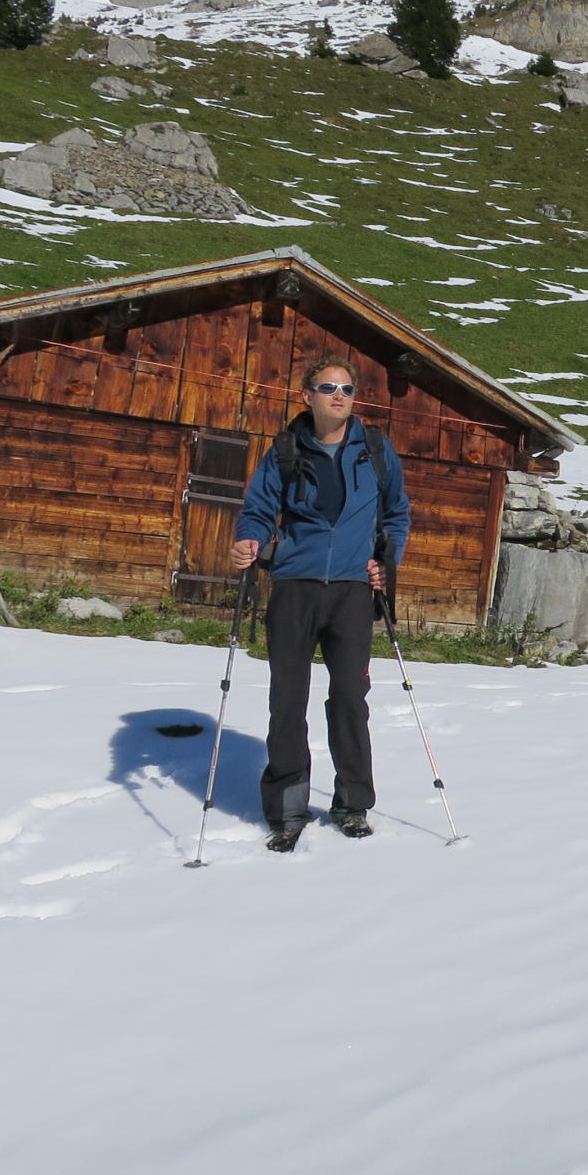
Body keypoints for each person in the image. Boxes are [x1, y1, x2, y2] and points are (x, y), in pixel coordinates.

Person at [231, 357, 411, 853]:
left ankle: (352, 805)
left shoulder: (375, 449)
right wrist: (249, 540)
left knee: (350, 698)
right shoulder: (285, 450)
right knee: (288, 700)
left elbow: (396, 512)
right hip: (295, 586)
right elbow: (258, 509)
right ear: (307, 396)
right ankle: (288, 810)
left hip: (352, 590)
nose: (339, 396)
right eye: (328, 387)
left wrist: (387, 561)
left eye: (347, 389)